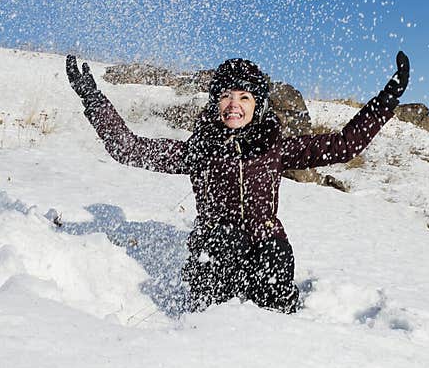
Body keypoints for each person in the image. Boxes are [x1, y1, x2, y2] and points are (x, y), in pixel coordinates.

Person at [66, 50, 409, 314]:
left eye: (245, 97)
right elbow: (129, 149)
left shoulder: (275, 149)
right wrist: (93, 100)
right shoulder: (198, 151)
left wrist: (386, 100)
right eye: (226, 96)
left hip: (265, 243)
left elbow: (344, 145)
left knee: (275, 295)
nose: (234, 105)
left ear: (257, 106)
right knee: (214, 302)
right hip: (215, 245)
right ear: (215, 102)